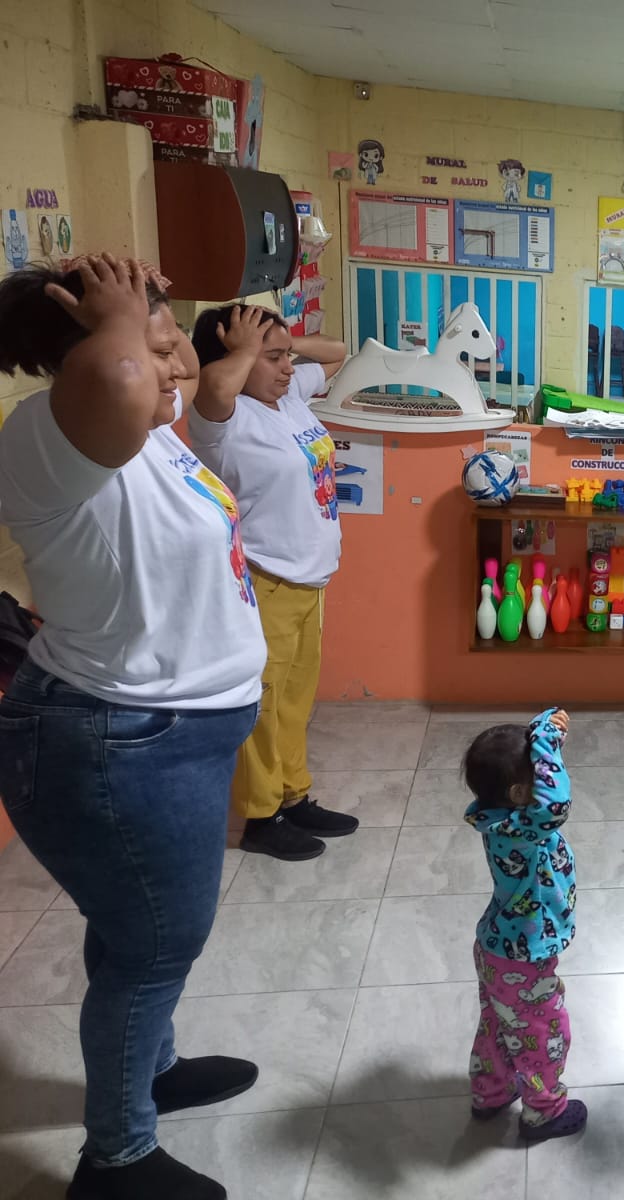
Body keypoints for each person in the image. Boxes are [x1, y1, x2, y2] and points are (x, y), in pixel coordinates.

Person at [0, 257, 267, 1200]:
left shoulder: (146, 432)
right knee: (154, 947)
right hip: (115, 739)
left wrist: (148, 332)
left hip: (169, 736)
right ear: (87, 355)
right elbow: (118, 378)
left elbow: (176, 374)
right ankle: (115, 1160)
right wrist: (121, 330)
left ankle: (151, 1069)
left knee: (133, 933)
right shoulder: (46, 435)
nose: (171, 362)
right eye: (150, 344)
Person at [188, 304, 355, 861]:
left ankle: (293, 795)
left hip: (309, 581)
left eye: (287, 357)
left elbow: (336, 353)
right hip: (266, 580)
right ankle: (260, 817)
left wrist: (284, 343)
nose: (287, 368)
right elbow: (214, 383)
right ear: (233, 358)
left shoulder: (286, 398)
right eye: (273, 358)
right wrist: (245, 350)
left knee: (293, 703)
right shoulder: (223, 417)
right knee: (261, 707)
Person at [460, 709, 585, 1141]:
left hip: (498, 949)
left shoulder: (503, 817)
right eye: (540, 770)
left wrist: (547, 729)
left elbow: (545, 795)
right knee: (543, 1036)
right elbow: (555, 804)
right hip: (523, 960)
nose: (549, 774)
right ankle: (544, 1113)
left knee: (499, 1024)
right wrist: (546, 739)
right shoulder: (524, 826)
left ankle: (491, 1093)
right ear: (519, 792)